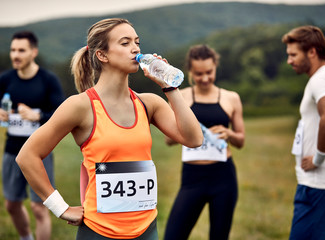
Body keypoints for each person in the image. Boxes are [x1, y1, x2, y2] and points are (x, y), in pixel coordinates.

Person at [15, 18, 203, 240]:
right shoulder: (80, 106)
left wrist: (170, 87)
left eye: (137, 42)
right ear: (102, 55)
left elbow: (194, 139)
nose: (136, 48)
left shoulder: (149, 103)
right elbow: (27, 156)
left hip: (146, 230)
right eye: (125, 43)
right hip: (99, 232)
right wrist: (61, 208)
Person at [0, 31, 65, 240]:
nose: (15, 55)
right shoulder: (5, 79)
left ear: (34, 52)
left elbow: (62, 115)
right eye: (13, 50)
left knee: (40, 208)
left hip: (40, 153)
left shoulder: (48, 80)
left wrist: (37, 115)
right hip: (12, 152)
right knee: (11, 205)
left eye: (21, 50)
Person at [163, 44, 245, 240]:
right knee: (173, 236)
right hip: (192, 178)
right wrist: (191, 132)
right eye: (199, 74)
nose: (205, 78)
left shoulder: (231, 98)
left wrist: (229, 133)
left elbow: (241, 140)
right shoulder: (179, 96)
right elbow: (168, 139)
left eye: (209, 72)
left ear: (215, 66)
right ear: (190, 71)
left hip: (223, 177)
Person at [282, 26, 325, 240]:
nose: (289, 60)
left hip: (318, 185)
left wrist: (319, 158)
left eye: (293, 54)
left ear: (312, 52)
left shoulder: (320, 80)